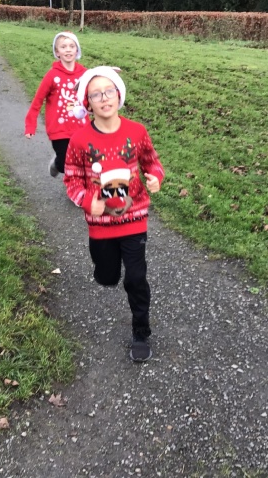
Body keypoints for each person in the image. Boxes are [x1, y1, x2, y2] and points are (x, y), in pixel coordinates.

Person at [64, 66, 165, 363]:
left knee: (136, 277)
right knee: (108, 276)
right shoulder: (80, 141)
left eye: (109, 91)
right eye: (96, 94)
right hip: (100, 224)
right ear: (88, 103)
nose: (104, 98)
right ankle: (106, 271)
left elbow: (151, 161)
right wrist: (87, 201)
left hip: (134, 218)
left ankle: (141, 332)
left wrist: (156, 177)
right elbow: (71, 180)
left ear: (119, 95)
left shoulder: (137, 132)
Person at [24, 32, 87, 178]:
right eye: (63, 47)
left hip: (81, 127)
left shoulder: (85, 74)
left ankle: (78, 188)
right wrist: (30, 125)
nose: (68, 50)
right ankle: (57, 164)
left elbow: (98, 91)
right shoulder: (52, 75)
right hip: (59, 129)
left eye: (72, 46)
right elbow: (37, 101)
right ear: (57, 52)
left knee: (82, 163)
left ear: (77, 50)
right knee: (65, 163)